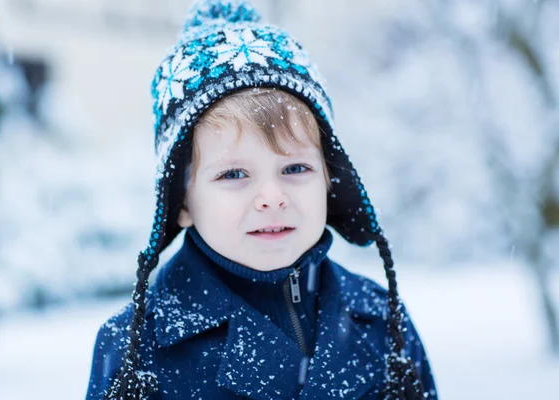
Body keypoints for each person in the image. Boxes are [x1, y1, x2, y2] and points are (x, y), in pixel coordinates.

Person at [86, 1, 438, 399]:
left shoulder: (380, 322)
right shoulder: (138, 352)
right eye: (233, 174)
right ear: (181, 201)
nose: (272, 198)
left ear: (329, 177)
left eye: (294, 169)